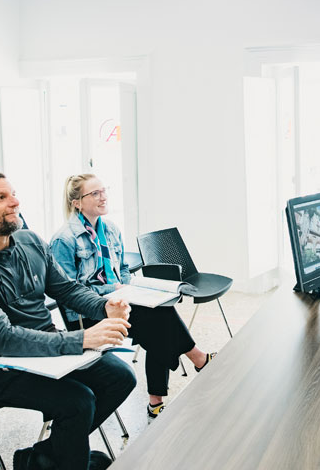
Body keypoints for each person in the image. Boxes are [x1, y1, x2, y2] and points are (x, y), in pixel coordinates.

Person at [0, 172, 137, 470]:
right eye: (0, 198)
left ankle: (44, 458)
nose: (14, 202)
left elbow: (66, 289)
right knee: (77, 401)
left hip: (47, 351)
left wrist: (104, 306)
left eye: (13, 194)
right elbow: (3, 338)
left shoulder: (30, 241)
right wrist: (82, 339)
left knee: (121, 377)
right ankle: (63, 459)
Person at [50, 174, 215, 420]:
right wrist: (113, 290)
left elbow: (123, 270)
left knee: (160, 312)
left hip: (120, 301)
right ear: (77, 202)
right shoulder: (64, 240)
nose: (103, 197)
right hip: (89, 315)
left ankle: (159, 400)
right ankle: (197, 360)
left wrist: (128, 287)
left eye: (104, 190)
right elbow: (69, 292)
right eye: (95, 193)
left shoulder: (110, 230)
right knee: (159, 321)